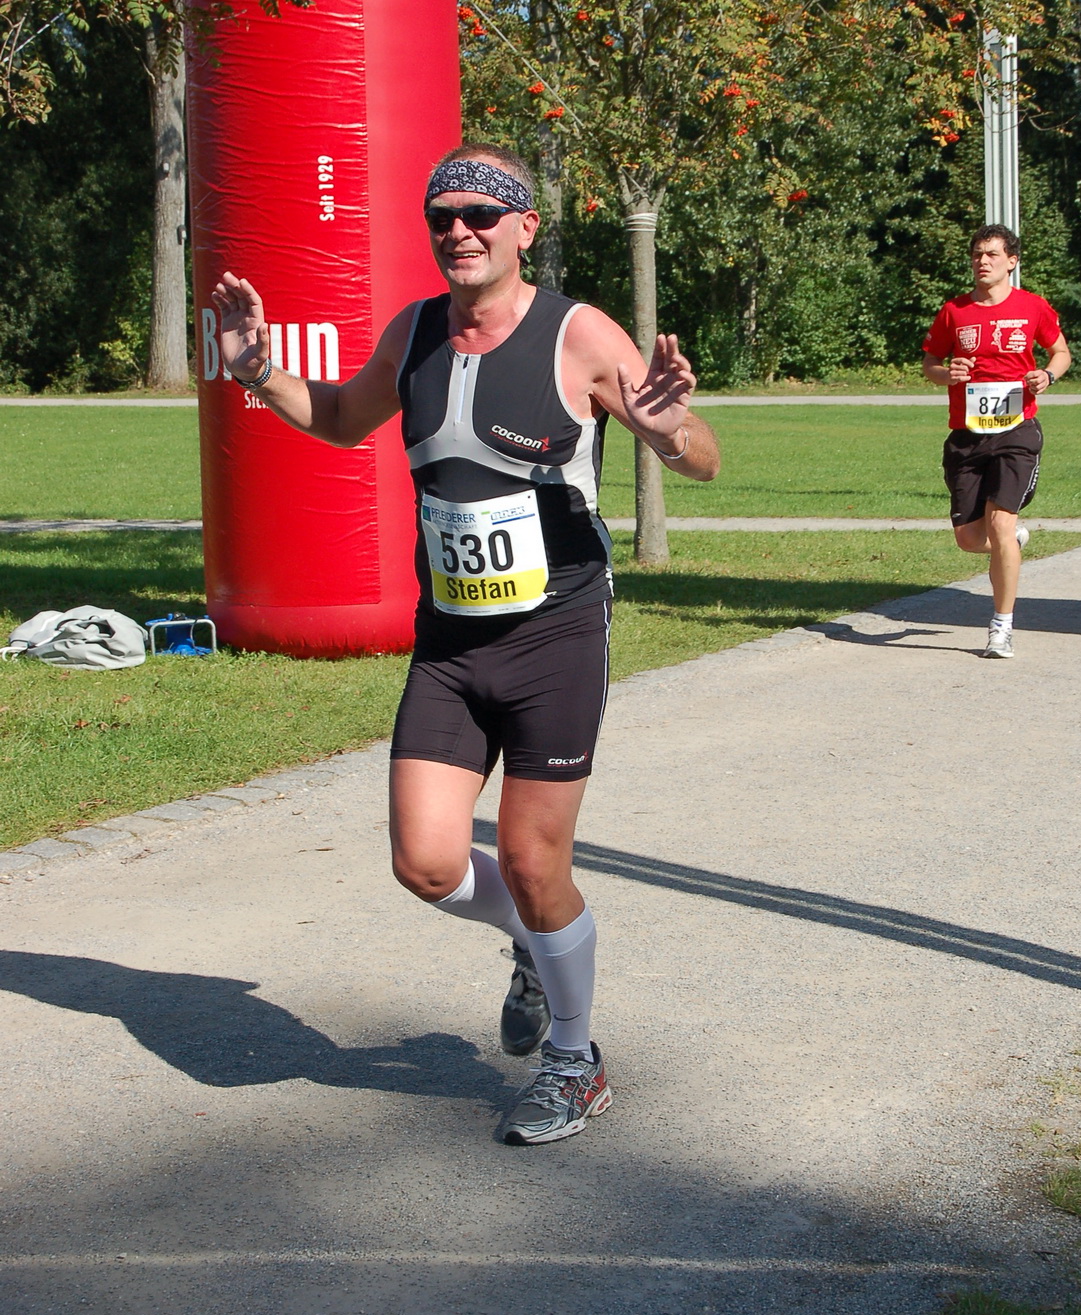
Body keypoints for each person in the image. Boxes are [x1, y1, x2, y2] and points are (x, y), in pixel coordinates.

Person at [212, 144, 720, 1143]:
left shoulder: (577, 335)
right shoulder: (413, 333)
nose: (460, 228)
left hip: (557, 634)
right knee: (428, 863)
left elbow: (699, 456)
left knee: (534, 861)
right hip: (449, 641)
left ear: (524, 228)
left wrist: (664, 429)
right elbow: (345, 418)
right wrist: (261, 371)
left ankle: (574, 1061)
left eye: (483, 213)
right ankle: (534, 945)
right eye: (443, 214)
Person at [922, 223, 1070, 659]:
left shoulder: (1032, 308)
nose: (981, 261)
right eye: (976, 254)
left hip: (1017, 432)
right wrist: (945, 373)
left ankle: (1001, 627)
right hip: (967, 437)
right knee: (970, 539)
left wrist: (1047, 375)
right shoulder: (954, 311)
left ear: (1012, 261)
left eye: (990, 254)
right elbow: (931, 361)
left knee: (1001, 522)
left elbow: (1060, 352)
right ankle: (1012, 543)